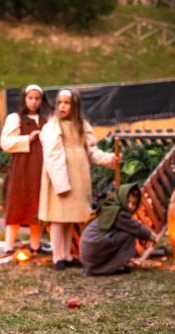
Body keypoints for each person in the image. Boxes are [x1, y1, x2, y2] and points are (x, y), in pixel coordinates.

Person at [38, 89, 119, 271]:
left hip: (78, 174)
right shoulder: (53, 127)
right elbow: (53, 156)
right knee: (58, 216)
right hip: (62, 173)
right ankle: (56, 256)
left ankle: (67, 254)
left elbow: (92, 151)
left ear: (75, 106)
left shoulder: (82, 126)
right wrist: (60, 183)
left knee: (70, 216)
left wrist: (109, 159)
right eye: (60, 103)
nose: (63, 106)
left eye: (67, 103)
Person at [0, 84, 51, 255]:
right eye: (30, 98)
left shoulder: (46, 121)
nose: (34, 102)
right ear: (24, 99)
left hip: (40, 167)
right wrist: (28, 138)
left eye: (37, 99)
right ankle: (8, 246)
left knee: (36, 205)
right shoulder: (15, 119)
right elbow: (6, 143)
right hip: (22, 167)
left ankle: (35, 245)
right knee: (17, 202)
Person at [80, 183, 162, 275]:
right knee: (129, 234)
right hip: (93, 247)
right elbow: (135, 228)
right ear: (121, 199)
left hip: (90, 251)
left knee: (125, 233)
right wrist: (151, 235)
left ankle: (114, 265)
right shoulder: (118, 212)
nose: (130, 206)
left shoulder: (111, 207)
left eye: (134, 203)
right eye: (128, 202)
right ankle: (108, 268)